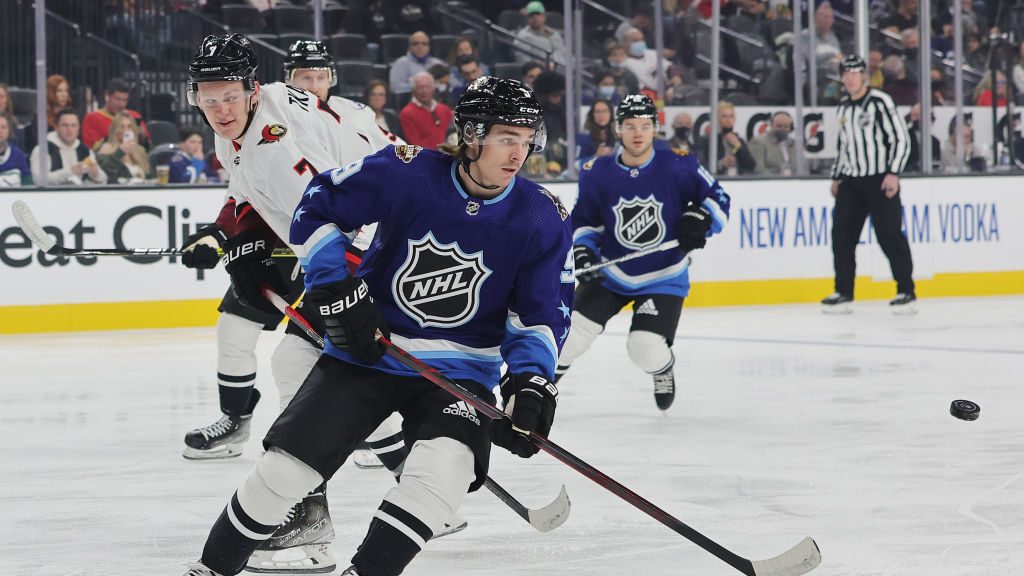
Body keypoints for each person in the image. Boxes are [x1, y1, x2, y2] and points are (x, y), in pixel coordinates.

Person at [181, 76, 573, 576]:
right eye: (505, 138)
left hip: (460, 375)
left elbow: (539, 315)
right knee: (284, 473)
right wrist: (333, 286)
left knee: (442, 475)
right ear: (473, 136)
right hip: (370, 351)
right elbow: (317, 205)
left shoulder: (541, 216)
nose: (518, 153)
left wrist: (531, 381)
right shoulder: (407, 172)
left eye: (525, 140)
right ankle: (211, 569)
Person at [176, 34, 414, 574]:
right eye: (207, 99)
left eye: (229, 97)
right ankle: (414, 480)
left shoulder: (278, 144)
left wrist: (341, 291)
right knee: (316, 368)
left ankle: (317, 512)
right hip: (359, 245)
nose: (219, 110)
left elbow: (328, 216)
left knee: (308, 366)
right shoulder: (244, 122)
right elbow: (247, 195)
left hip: (378, 251)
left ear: (252, 89)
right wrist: (232, 238)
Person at [555, 94, 729, 411]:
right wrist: (583, 252)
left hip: (664, 275)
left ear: (655, 129)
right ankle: (542, 387)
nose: (638, 133)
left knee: (644, 347)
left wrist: (701, 219)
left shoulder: (680, 164)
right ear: (618, 129)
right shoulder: (597, 172)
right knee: (570, 337)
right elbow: (586, 221)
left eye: (646, 126)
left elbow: (719, 199)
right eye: (631, 126)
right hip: (611, 271)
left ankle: (663, 369)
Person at [824, 55, 915, 314]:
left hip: (880, 179)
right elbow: (844, 146)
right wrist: (837, 176)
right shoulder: (843, 107)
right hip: (851, 181)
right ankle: (844, 292)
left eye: (855, 73)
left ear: (864, 75)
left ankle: (906, 290)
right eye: (847, 73)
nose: (851, 78)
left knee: (889, 235)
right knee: (841, 236)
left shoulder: (880, 101)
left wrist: (893, 173)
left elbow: (900, 139)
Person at [29, 108, 107, 185]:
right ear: (56, 127)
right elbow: (39, 180)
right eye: (65, 125)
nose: (69, 130)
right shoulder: (43, 150)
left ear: (79, 128)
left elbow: (103, 180)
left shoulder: (85, 150)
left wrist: (95, 173)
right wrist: (70, 172)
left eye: (73, 125)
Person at [81, 78, 149, 150]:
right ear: (107, 95)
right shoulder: (93, 118)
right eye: (118, 99)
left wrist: (142, 136)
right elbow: (91, 148)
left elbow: (148, 147)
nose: (121, 104)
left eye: (125, 100)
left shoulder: (134, 116)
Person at [696, 102, 756, 175]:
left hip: (738, 182)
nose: (728, 119)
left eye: (731, 116)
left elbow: (751, 166)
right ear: (716, 119)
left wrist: (739, 147)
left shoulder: (739, 141)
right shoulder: (706, 141)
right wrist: (720, 164)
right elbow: (699, 166)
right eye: (724, 116)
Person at [399, 71, 454, 149]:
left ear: (433, 88)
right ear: (414, 90)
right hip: (426, 157)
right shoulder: (406, 113)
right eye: (420, 87)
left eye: (427, 86)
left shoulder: (444, 109)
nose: (424, 91)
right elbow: (415, 144)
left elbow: (453, 135)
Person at [95, 112, 151, 184]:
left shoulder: (139, 150)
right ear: (115, 129)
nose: (126, 130)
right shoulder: (107, 148)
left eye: (129, 126)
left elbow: (150, 174)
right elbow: (107, 173)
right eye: (122, 126)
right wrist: (120, 152)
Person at [748, 111, 796, 175]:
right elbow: (758, 170)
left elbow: (803, 168)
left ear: (790, 128)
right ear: (771, 125)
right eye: (779, 126)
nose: (782, 129)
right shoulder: (758, 142)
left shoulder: (794, 144)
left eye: (786, 126)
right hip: (769, 183)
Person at [0, 111, 31, 186]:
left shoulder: (17, 155)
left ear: (9, 130)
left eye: (3, 127)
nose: (0, 131)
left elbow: (28, 185)